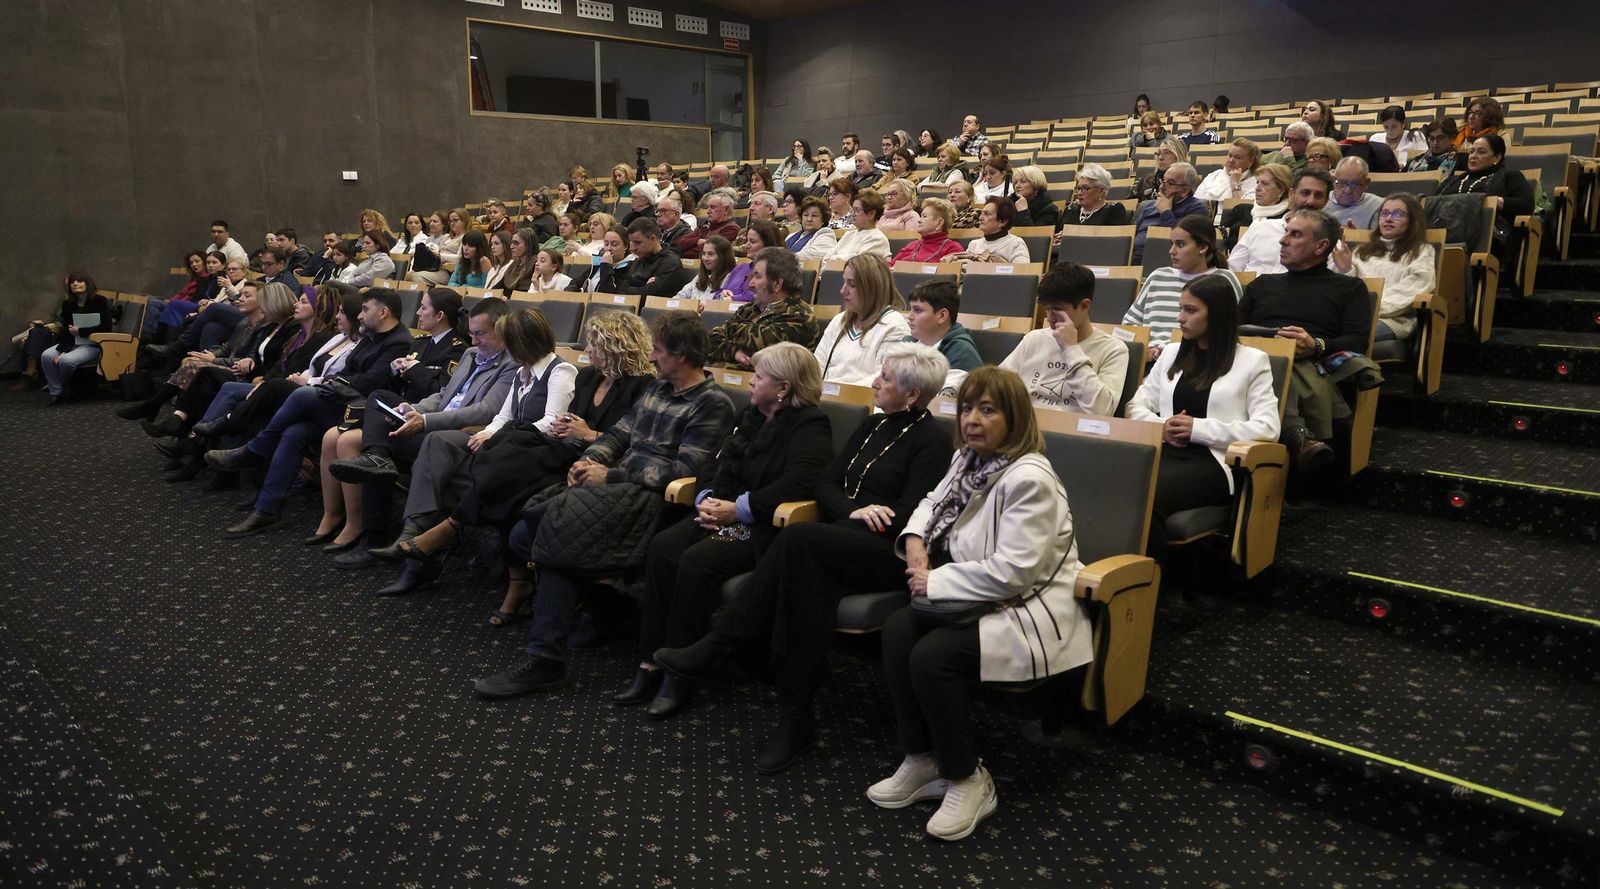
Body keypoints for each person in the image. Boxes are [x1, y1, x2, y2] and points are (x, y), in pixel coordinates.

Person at [653, 343, 953, 771]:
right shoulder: (871, 427)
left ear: (911, 394)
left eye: (885, 379)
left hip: (889, 551)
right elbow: (827, 486)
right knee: (810, 586)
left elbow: (908, 513)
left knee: (798, 542)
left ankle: (720, 643)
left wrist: (855, 513)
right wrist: (853, 509)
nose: (874, 382)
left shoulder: (933, 441)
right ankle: (796, 719)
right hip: (839, 538)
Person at [870, 365, 1092, 842]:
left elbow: (1016, 572)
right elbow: (932, 501)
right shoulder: (969, 459)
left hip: (1029, 608)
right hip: (978, 596)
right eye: (967, 408)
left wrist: (934, 581)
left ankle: (969, 777)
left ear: (1014, 418)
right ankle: (922, 757)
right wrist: (913, 539)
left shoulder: (1029, 476)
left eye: (987, 410)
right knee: (897, 631)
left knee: (933, 658)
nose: (972, 419)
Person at [472, 312, 735, 698]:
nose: (652, 359)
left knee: (555, 537)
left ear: (681, 355)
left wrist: (610, 475)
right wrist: (590, 459)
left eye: (659, 352)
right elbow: (617, 435)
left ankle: (546, 659)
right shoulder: (657, 390)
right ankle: (610, 612)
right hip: (617, 490)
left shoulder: (713, 404)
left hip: (655, 502)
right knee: (524, 534)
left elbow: (683, 471)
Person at [630, 342, 832, 719]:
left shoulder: (810, 423)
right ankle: (649, 662)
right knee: (662, 547)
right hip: (718, 512)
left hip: (759, 527)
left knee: (696, 561)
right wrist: (706, 497)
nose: (751, 382)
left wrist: (737, 510)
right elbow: (714, 461)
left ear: (784, 388)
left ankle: (680, 675)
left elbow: (801, 483)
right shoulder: (750, 415)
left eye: (759, 376)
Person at [203, 289, 418, 535]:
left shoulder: (398, 341)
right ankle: (267, 509)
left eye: (365, 309)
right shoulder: (370, 335)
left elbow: (369, 382)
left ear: (383, 312)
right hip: (342, 402)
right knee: (294, 432)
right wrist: (335, 382)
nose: (359, 315)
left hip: (365, 414)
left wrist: (327, 383)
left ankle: (254, 450)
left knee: (298, 393)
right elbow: (348, 372)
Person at [320, 298, 519, 562]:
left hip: (460, 434)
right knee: (381, 399)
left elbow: (484, 411)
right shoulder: (472, 355)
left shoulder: (511, 364)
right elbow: (445, 394)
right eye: (471, 333)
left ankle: (382, 535)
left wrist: (425, 421)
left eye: (480, 334)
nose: (473, 341)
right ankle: (377, 460)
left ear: (502, 331)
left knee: (363, 442)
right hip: (433, 424)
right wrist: (413, 409)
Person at [1126, 276, 1280, 565]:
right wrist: (1163, 426)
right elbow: (1136, 405)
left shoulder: (1252, 361)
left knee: (1147, 495)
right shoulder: (1172, 353)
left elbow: (1268, 429)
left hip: (1214, 462)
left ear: (1218, 315)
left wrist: (1197, 428)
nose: (1180, 318)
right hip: (1164, 450)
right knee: (1116, 481)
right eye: (1181, 308)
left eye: (1191, 311)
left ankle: (1149, 588)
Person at [1239, 209, 1374, 473]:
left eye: (1295, 234)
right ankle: (1296, 435)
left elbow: (1357, 342)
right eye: (1285, 232)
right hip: (1250, 355)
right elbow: (1233, 328)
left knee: (1281, 366)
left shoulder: (1348, 288)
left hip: (1308, 361)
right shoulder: (1262, 284)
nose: (1283, 240)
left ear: (1321, 245)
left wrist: (1316, 345)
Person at [1000, 261, 1126, 415]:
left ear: (1084, 306)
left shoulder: (1113, 350)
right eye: (1047, 309)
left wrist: (1071, 350)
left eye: (1058, 310)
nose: (1050, 318)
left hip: (1074, 434)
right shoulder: (1034, 339)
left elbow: (1102, 411)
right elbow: (998, 386)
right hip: (1026, 427)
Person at [1332, 193, 1435, 342]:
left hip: (1393, 320)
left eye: (1398, 214)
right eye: (1384, 213)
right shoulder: (1362, 250)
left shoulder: (1421, 251)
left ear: (1413, 221)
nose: (1388, 219)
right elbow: (1346, 290)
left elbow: (1415, 288)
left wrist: (1367, 310)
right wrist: (1345, 269)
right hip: (1353, 316)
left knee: (1341, 334)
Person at [1124, 214, 1242, 342]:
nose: (1171, 251)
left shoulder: (1224, 280)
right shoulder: (1158, 276)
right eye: (1172, 244)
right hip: (1150, 357)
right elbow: (1129, 323)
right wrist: (1145, 348)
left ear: (1202, 247)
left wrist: (1171, 350)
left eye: (1180, 245)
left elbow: (1230, 331)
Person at [706, 247, 823, 369]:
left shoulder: (799, 316)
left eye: (757, 276)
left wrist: (729, 331)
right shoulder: (749, 309)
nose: (750, 284)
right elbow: (712, 339)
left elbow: (758, 344)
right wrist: (734, 353)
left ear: (777, 284)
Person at [814, 254, 912, 385]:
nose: (843, 291)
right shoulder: (839, 320)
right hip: (825, 398)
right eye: (844, 282)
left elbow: (883, 380)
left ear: (873, 288)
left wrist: (835, 391)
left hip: (865, 402)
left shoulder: (894, 326)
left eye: (852, 284)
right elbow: (817, 367)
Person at [1436, 134, 1534, 264]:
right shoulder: (1452, 181)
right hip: (1446, 234)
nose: (1473, 156)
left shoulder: (1509, 176)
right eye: (1471, 152)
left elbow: (1526, 205)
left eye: (1481, 152)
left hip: (1486, 238)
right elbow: (1433, 203)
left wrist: (1497, 202)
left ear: (1497, 157)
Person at [1228, 166, 1329, 275]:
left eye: (1318, 196)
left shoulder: (1326, 243)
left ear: (1326, 201)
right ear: (1291, 194)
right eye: (1305, 193)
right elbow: (1234, 267)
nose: (1310, 201)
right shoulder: (1260, 227)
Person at [38, 274, 112, 403]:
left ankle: (60, 385)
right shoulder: (68, 304)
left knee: (66, 361)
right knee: (46, 356)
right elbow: (67, 331)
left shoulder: (100, 300)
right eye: (72, 282)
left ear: (87, 283)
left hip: (93, 344)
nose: (75, 284)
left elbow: (106, 327)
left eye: (79, 281)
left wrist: (81, 331)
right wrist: (63, 350)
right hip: (72, 342)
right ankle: (57, 393)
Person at [903, 281, 981, 394]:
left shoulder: (960, 352)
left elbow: (943, 402)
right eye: (911, 309)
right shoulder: (907, 343)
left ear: (942, 316)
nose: (909, 316)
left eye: (918, 310)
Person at [1131, 161, 1207, 264]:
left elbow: (1182, 242)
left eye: (1170, 183)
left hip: (1170, 264)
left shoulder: (1197, 209)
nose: (1162, 186)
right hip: (1134, 261)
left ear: (1185, 190)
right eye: (1163, 180)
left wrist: (1166, 212)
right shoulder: (1147, 206)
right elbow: (1130, 237)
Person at [824, 190, 893, 262]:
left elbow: (857, 262)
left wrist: (833, 259)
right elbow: (826, 258)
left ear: (871, 214)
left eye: (857, 210)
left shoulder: (877, 239)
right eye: (853, 209)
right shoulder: (848, 234)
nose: (852, 214)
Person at [1055, 164, 1129, 229]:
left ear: (1101, 190)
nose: (1079, 193)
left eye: (1085, 188)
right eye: (1078, 188)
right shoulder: (1071, 209)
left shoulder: (1114, 210)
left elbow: (1115, 241)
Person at [891, 198, 963, 265]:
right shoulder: (913, 245)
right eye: (920, 216)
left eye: (924, 216)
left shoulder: (952, 248)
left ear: (939, 223)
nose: (919, 220)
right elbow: (890, 265)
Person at [409, 208, 470, 285]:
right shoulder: (447, 237)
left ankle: (427, 296)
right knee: (408, 274)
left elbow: (460, 258)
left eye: (455, 220)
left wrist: (440, 256)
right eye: (450, 221)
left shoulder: (466, 237)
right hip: (435, 267)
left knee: (416, 277)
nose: (452, 223)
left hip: (449, 272)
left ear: (464, 221)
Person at [960, 197, 1029, 263]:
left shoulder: (1016, 243)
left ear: (1003, 222)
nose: (980, 218)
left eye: (987, 214)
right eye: (982, 213)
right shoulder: (974, 244)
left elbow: (1022, 272)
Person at [1194, 138, 1262, 203]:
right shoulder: (1213, 175)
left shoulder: (1256, 183)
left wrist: (1234, 183)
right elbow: (1196, 201)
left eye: (1238, 158)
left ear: (1250, 161)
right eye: (1230, 155)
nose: (1231, 161)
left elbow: (1244, 210)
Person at [565, 225, 628, 293]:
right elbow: (576, 283)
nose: (609, 248)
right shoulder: (597, 263)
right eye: (606, 244)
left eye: (614, 244)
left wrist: (606, 266)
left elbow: (608, 293)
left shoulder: (628, 267)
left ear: (626, 246)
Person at [675, 190, 741, 255]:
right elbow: (678, 243)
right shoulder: (704, 227)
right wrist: (698, 241)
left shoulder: (732, 229)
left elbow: (706, 252)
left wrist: (683, 251)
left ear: (726, 210)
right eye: (708, 207)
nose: (708, 211)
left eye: (713, 207)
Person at [1328, 157, 1384, 230]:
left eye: (1355, 184)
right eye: (1342, 183)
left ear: (1366, 183)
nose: (1347, 190)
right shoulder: (1320, 201)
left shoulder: (1377, 206)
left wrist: (1356, 236)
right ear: (1334, 180)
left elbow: (1378, 240)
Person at [677, 236, 736, 301]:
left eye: (711, 254)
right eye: (704, 253)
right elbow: (680, 296)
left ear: (723, 257)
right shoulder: (700, 277)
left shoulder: (731, 278)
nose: (705, 258)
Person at [1133, 137, 1188, 202]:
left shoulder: (1186, 185)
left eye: (1166, 153)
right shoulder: (1144, 182)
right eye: (1159, 153)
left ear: (1178, 156)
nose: (1160, 157)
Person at [785, 196, 837, 262]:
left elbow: (813, 255)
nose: (809, 219)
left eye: (814, 216)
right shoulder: (791, 236)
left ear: (823, 219)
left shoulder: (827, 234)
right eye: (806, 215)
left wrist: (782, 259)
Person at [491, 229, 538, 295]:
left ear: (528, 245)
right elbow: (497, 288)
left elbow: (524, 293)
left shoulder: (536, 265)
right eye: (512, 243)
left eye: (516, 243)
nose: (511, 247)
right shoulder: (514, 265)